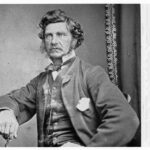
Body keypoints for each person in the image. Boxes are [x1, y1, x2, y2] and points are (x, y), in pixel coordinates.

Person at [0, 9, 139, 147]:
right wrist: (6, 112)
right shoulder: (41, 81)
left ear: (74, 40)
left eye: (61, 35)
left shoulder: (92, 74)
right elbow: (13, 100)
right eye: (48, 36)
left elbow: (126, 119)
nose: (54, 41)